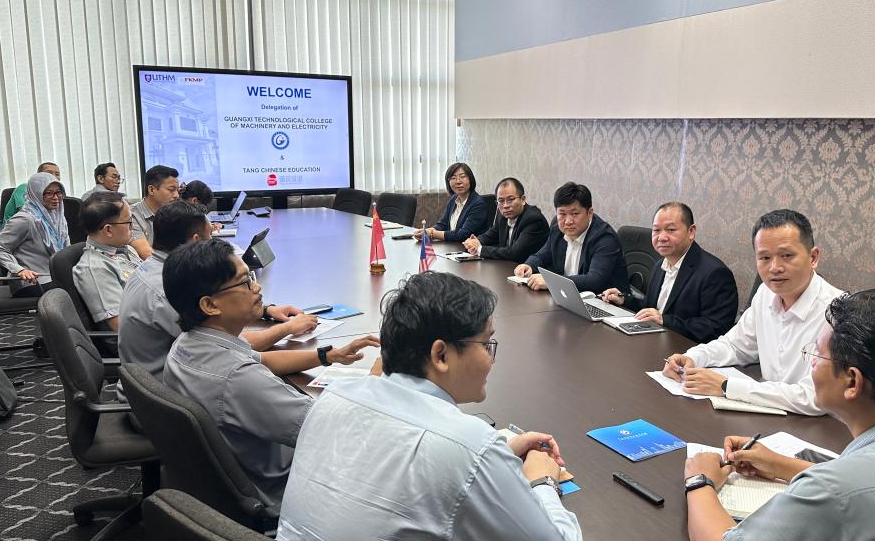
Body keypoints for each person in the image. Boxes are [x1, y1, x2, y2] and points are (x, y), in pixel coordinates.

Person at [277, 272, 582, 541]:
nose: (491, 360)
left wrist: (496, 457)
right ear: (441, 355)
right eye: (486, 344)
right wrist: (542, 480)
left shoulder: (333, 398)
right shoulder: (469, 448)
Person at [683, 289, 875, 541]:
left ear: (852, 382)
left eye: (817, 354)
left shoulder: (831, 491)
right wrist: (780, 464)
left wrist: (699, 480)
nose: (812, 364)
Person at [163, 239, 379, 502]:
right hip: (287, 488)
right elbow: (333, 428)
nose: (257, 287)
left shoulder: (186, 344)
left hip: (225, 481)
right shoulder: (239, 379)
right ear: (210, 305)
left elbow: (262, 359)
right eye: (245, 282)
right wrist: (377, 382)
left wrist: (327, 355)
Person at [662, 209, 843, 415]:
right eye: (764, 257)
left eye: (787, 256)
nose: (774, 267)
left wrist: (726, 386)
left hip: (818, 426)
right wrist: (692, 358)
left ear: (813, 257)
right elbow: (735, 346)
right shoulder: (765, 293)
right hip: (769, 415)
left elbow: (815, 396)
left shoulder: (837, 312)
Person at [119, 200, 317, 386]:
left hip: (160, 381)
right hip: (172, 389)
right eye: (211, 237)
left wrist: (265, 310)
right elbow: (227, 347)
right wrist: (288, 328)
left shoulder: (153, 268)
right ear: (196, 241)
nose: (214, 242)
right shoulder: (167, 290)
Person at [600, 202, 737, 343]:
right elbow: (651, 308)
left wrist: (664, 320)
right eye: (656, 230)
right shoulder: (660, 265)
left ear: (691, 231)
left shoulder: (715, 273)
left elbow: (716, 328)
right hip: (653, 340)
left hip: (685, 349)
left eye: (671, 230)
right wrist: (623, 299)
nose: (662, 237)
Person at [515, 182, 628, 293]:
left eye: (575, 214)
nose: (568, 221)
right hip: (567, 296)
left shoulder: (604, 238)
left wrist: (552, 281)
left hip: (604, 300)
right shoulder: (557, 231)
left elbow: (595, 280)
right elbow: (542, 256)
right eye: (562, 214)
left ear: (589, 213)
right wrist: (529, 265)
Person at [0, 172, 69, 297]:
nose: (56, 197)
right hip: (32, 282)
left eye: (59, 192)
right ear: (36, 194)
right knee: (80, 290)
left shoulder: (57, 217)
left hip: (53, 276)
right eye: (49, 193)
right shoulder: (25, 219)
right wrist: (19, 270)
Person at [72, 192, 140, 331]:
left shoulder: (125, 248)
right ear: (108, 230)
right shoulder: (95, 268)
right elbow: (121, 326)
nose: (132, 227)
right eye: (129, 222)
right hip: (143, 336)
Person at [462, 177, 549, 263]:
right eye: (501, 201)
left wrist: (479, 249)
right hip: (507, 267)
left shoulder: (533, 219)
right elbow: (490, 235)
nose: (505, 205)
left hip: (528, 269)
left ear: (523, 200)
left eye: (510, 199)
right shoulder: (502, 215)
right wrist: (475, 242)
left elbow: (515, 253)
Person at [413, 162, 487, 242]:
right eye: (453, 178)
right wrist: (425, 231)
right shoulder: (453, 199)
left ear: (470, 179)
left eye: (462, 176)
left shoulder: (478, 204)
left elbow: (462, 235)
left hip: (467, 247)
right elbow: (442, 224)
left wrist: (432, 233)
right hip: (451, 246)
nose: (458, 181)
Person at [129, 164, 180, 259]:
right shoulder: (131, 215)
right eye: (171, 190)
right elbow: (145, 253)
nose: (177, 195)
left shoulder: (176, 213)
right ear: (152, 190)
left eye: (177, 190)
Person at [2, 161, 60, 226]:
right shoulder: (24, 188)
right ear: (38, 176)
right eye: (49, 173)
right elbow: (28, 214)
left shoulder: (55, 194)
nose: (54, 176)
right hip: (16, 228)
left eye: (57, 174)